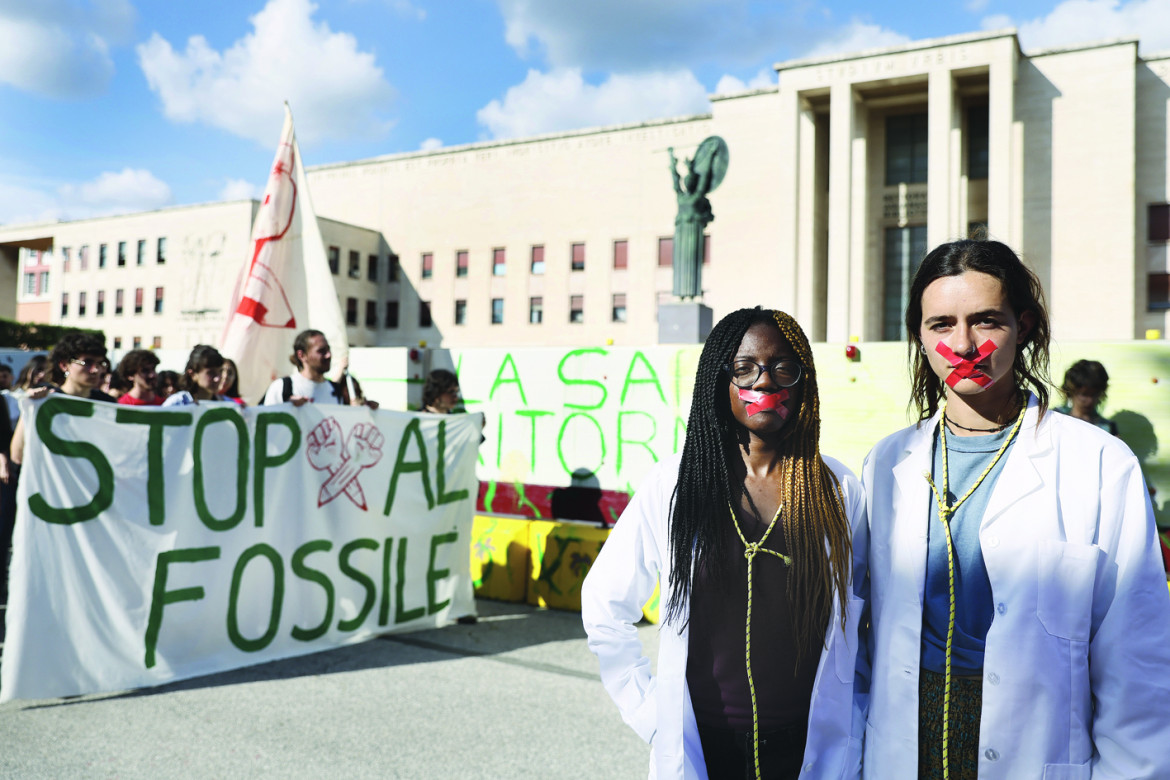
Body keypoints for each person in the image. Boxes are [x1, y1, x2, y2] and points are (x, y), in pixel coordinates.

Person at [861, 239, 1170, 778]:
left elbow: (1135, 655)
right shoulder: (887, 462)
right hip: (904, 742)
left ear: (1023, 327)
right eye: (941, 325)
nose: (963, 343)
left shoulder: (1098, 463)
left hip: (1035, 745)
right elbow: (857, 639)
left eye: (986, 321)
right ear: (919, 335)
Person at [582, 308, 867, 779]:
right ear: (720, 381)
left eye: (783, 368)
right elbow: (604, 604)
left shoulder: (837, 489)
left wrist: (853, 719)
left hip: (808, 747)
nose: (765, 382)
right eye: (744, 368)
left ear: (804, 382)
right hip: (702, 750)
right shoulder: (676, 484)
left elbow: (862, 625)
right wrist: (652, 716)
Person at [262, 329, 376, 408]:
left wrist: (366, 413)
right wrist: (286, 407)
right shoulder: (282, 388)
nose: (328, 355)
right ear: (302, 355)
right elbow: (266, 426)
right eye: (321, 351)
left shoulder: (336, 391)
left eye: (328, 349)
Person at [1054, 359, 1119, 435]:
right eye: (1084, 394)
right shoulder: (1055, 419)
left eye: (1094, 394)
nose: (1090, 400)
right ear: (1070, 391)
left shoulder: (1108, 428)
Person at [162, 345, 227, 407]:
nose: (217, 378)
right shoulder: (175, 404)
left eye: (220, 371)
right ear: (192, 374)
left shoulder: (228, 405)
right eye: (211, 373)